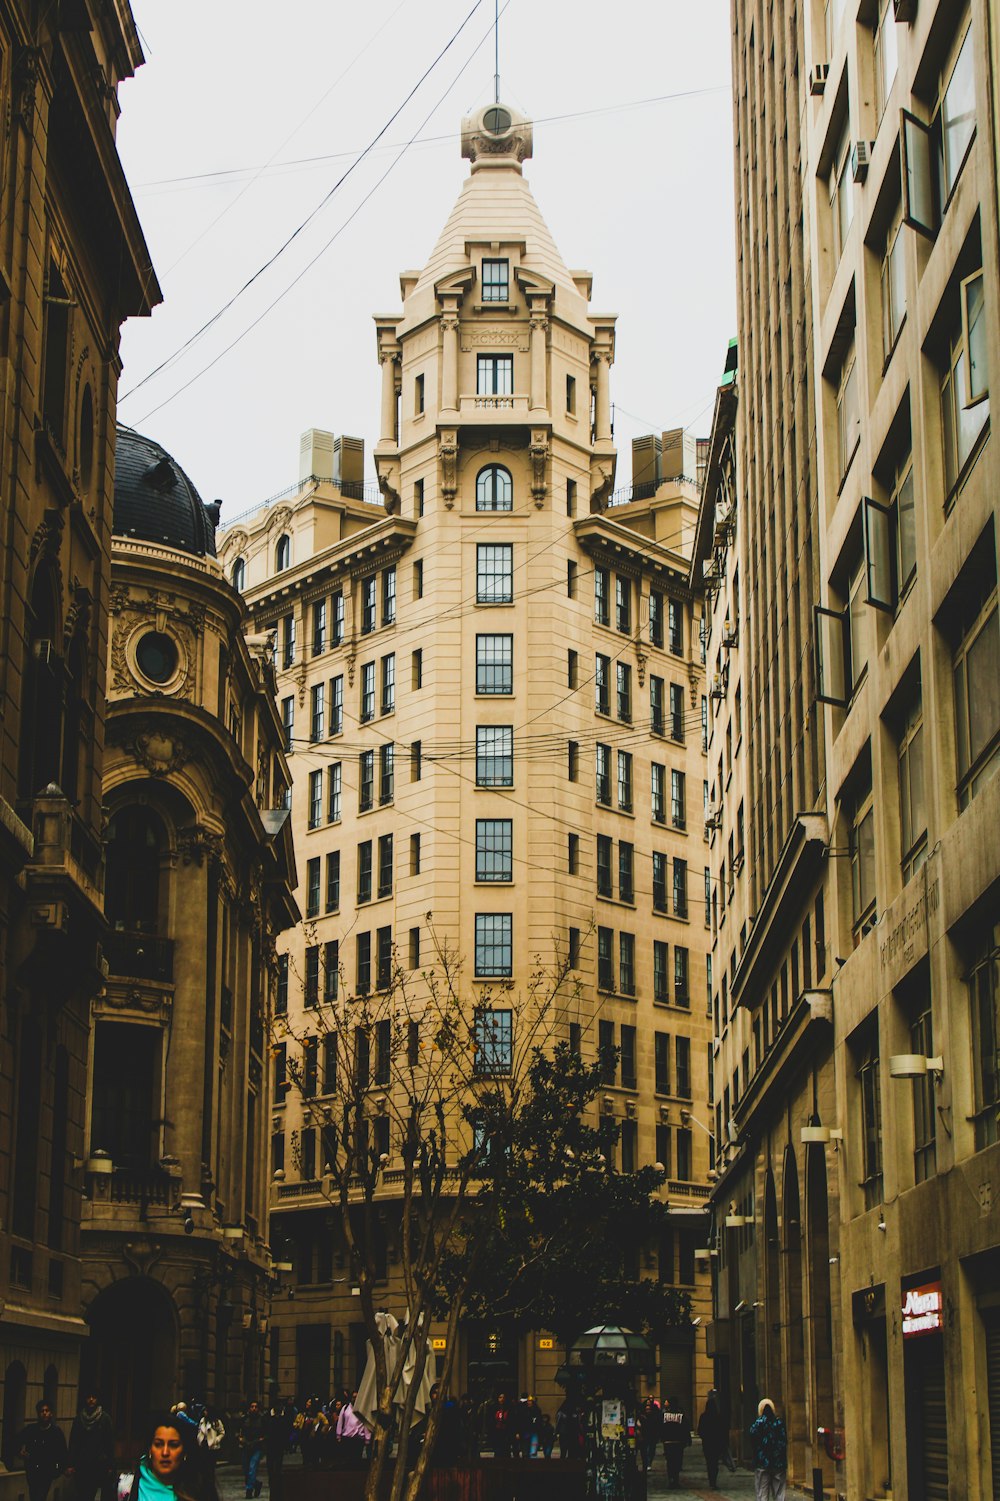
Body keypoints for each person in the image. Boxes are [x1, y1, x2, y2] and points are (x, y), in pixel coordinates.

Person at [128, 1414, 217, 1501]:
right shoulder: (128, 1486)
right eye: (158, 1444)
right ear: (150, 1450)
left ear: (184, 1452)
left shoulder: (200, 1489)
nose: (165, 1452)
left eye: (173, 1445)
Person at [67, 1394, 115, 1501]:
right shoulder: (79, 1418)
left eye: (94, 1397)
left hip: (99, 1464)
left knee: (97, 1493)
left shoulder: (105, 1418)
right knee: (83, 1494)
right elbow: (73, 1442)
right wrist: (70, 1463)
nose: (91, 1400)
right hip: (82, 1464)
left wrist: (110, 1464)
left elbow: (109, 1442)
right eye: (88, 1397)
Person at [18, 1402, 68, 1501]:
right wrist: (20, 1452)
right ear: (38, 1414)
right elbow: (16, 1441)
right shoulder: (31, 1430)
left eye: (47, 1411)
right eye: (42, 1411)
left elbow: (63, 1452)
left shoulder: (56, 1432)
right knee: (34, 1495)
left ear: (51, 1413)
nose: (44, 1413)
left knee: (40, 1496)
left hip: (47, 1472)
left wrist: (62, 1468)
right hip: (32, 1471)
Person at [750, 1398, 787, 1501]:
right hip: (778, 1464)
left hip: (762, 1463)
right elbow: (784, 1442)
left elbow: (753, 1443)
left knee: (762, 1494)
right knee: (780, 1493)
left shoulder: (757, 1425)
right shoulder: (779, 1423)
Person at [660, 1395, 690, 1488]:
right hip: (678, 1442)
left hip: (668, 1442)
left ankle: (671, 1479)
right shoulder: (681, 1415)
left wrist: (662, 1438)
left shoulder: (665, 1415)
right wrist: (687, 1440)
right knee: (677, 1461)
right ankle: (676, 1480)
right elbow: (685, 1428)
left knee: (670, 1462)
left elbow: (661, 1428)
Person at [698, 1392, 726, 1489]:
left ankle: (711, 1481)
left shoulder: (703, 1417)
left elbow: (700, 1430)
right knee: (715, 1463)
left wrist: (704, 1437)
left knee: (709, 1462)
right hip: (716, 1444)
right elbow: (722, 1431)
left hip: (707, 1444)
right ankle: (713, 1481)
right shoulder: (718, 1417)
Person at [239, 1401, 265, 1499]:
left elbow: (265, 1433)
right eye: (252, 1406)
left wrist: (261, 1440)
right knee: (246, 1470)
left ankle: (249, 1490)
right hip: (246, 1446)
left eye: (256, 1407)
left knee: (252, 1468)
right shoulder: (244, 1419)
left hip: (257, 1447)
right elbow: (239, 1431)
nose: (254, 1408)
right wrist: (240, 1438)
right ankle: (257, 1484)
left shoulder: (262, 1419)